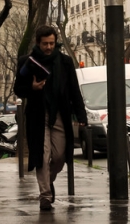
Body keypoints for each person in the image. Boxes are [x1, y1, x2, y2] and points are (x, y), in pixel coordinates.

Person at [13, 25, 87, 211]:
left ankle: (49, 181)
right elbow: (18, 89)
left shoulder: (65, 62)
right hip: (38, 116)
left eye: (52, 43)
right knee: (43, 156)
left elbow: (74, 90)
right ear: (38, 42)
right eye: (45, 43)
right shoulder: (26, 61)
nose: (48, 47)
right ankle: (45, 196)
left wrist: (81, 116)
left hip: (60, 114)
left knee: (60, 155)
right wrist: (33, 88)